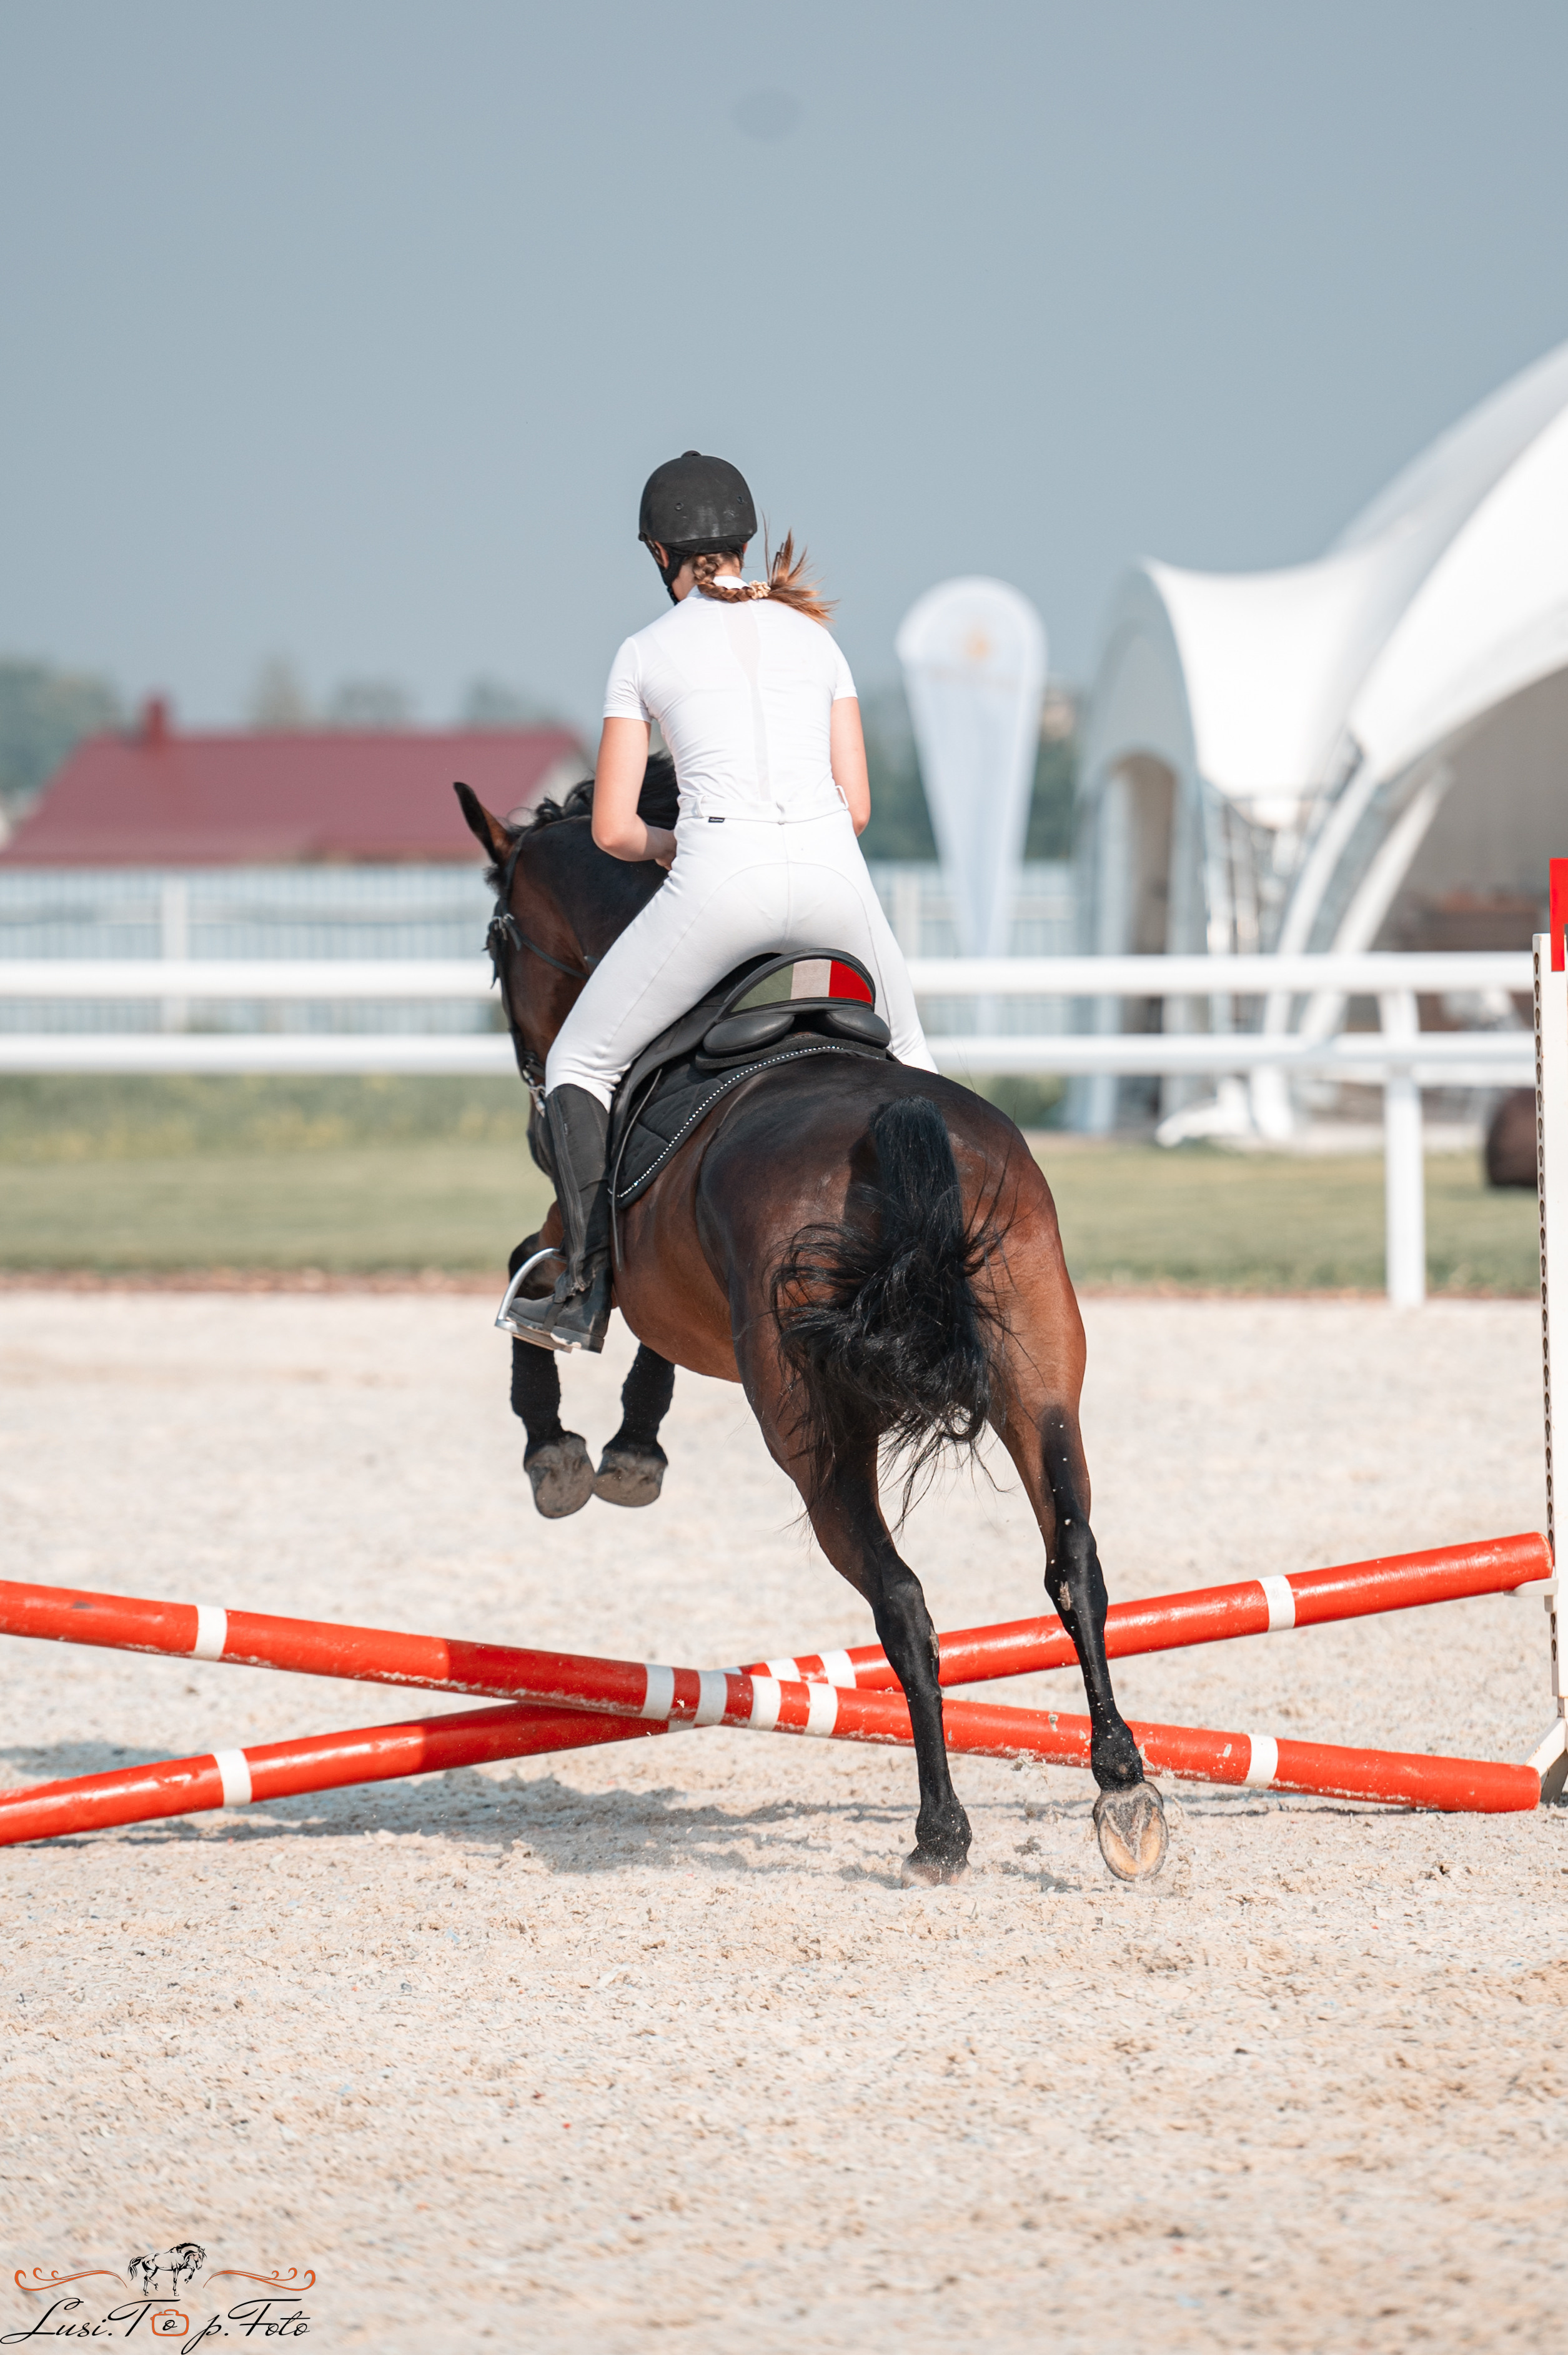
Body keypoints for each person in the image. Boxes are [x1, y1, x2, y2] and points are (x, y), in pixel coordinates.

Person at [510, 449, 938, 1350]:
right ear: (742, 544)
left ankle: (585, 1290)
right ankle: (944, 1267)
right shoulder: (817, 640)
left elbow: (614, 830)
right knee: (912, 1061)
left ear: (661, 556)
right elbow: (855, 806)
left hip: (720, 887)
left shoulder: (643, 652)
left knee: (578, 1067)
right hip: (836, 886)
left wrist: (674, 846)